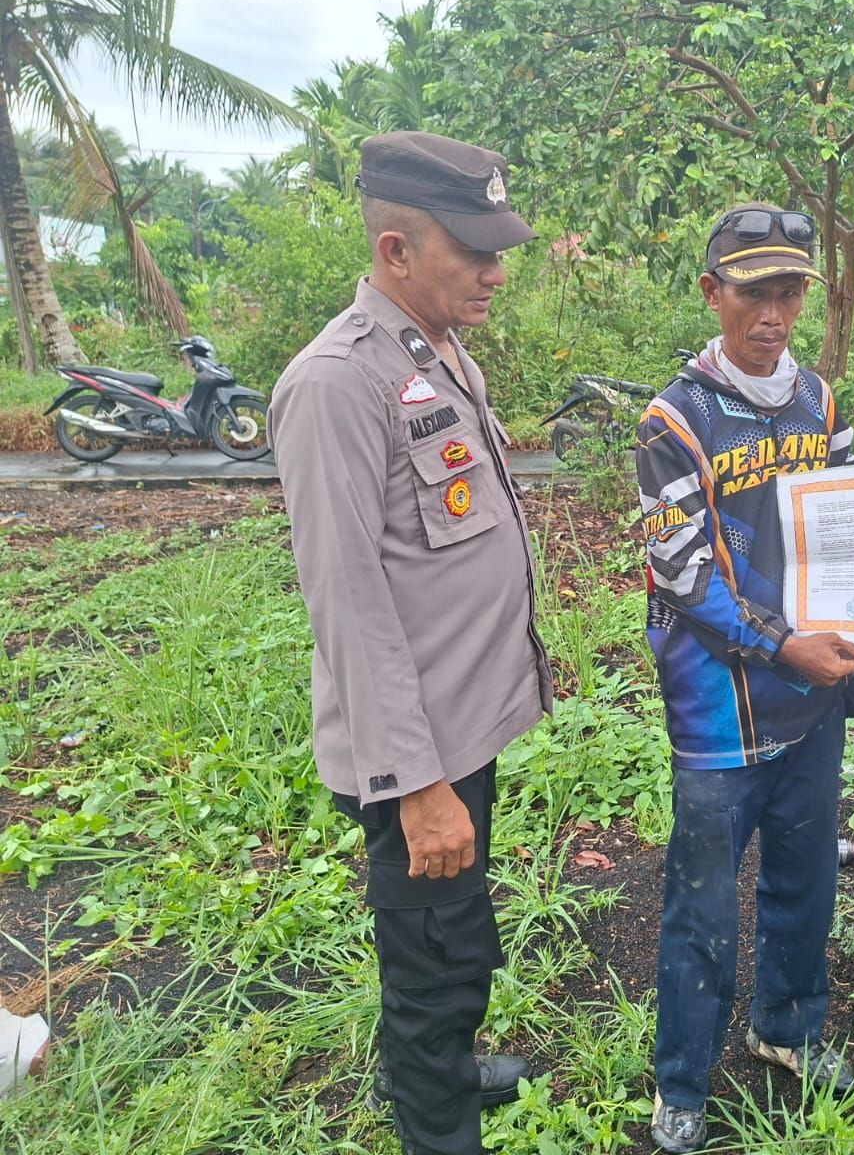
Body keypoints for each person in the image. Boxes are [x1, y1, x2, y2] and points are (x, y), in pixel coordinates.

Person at [269, 131, 554, 1155]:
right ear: (395, 250)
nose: (494, 269)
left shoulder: (429, 346)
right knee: (430, 958)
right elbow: (344, 597)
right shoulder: (335, 384)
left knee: (460, 931)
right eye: (471, 250)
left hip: (462, 721)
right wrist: (416, 784)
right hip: (416, 748)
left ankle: (455, 1073)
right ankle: (437, 1123)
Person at [637, 204, 854, 1153]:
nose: (772, 312)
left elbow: (843, 531)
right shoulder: (675, 419)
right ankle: (681, 1084)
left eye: (789, 290)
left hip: (811, 703)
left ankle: (788, 1031)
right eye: (751, 290)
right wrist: (782, 646)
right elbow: (682, 573)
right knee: (701, 903)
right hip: (719, 711)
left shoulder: (818, 401)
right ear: (711, 293)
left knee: (806, 884)